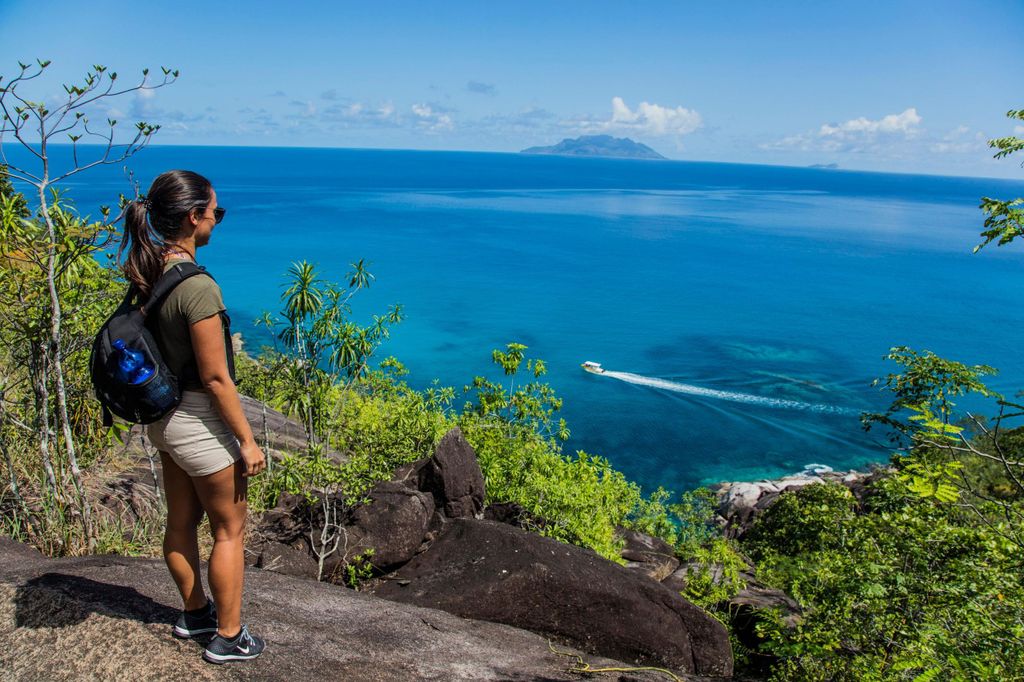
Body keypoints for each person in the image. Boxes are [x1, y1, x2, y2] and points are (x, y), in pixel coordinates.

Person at [118, 170, 267, 664]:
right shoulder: (198, 288)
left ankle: (194, 612)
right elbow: (217, 378)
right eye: (214, 213)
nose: (216, 222)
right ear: (192, 217)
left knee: (181, 522)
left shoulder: (147, 267)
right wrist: (247, 441)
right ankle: (228, 637)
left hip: (164, 418)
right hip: (201, 421)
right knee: (228, 531)